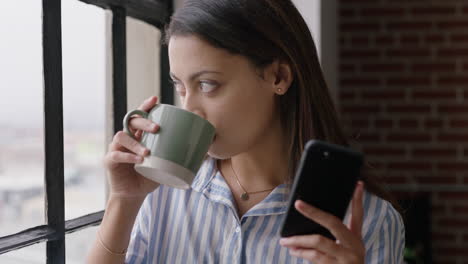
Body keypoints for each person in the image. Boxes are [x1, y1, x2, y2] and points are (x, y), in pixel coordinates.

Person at [86, 0, 405, 263]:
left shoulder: (365, 224)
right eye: (180, 86)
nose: (190, 108)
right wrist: (123, 202)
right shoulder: (161, 193)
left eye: (208, 84)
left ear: (278, 76)